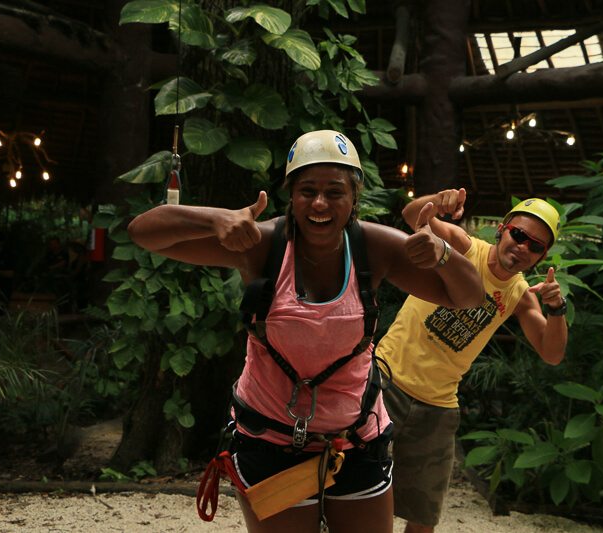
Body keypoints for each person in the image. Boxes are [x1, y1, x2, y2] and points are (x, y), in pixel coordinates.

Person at [127, 130, 485, 533]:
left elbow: (469, 297)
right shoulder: (260, 244)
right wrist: (215, 218)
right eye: (307, 190)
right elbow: (144, 231)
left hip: (357, 440)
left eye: (335, 192)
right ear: (291, 197)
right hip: (269, 440)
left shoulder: (375, 247)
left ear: (354, 199)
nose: (319, 203)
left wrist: (443, 255)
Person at [375, 188, 568, 533]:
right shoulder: (464, 246)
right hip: (384, 382)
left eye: (535, 245)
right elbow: (413, 215)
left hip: (438, 405)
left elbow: (551, 354)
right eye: (519, 235)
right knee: (349, 488)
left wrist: (557, 310)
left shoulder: (520, 296)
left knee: (423, 515)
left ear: (542, 256)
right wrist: (439, 199)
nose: (523, 247)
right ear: (502, 229)